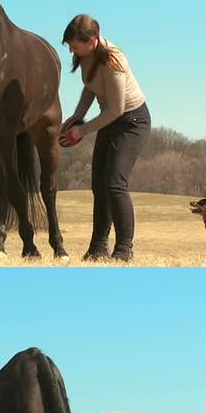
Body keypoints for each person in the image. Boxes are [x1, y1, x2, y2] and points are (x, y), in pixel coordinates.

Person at [60, 14, 151, 262]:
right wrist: (78, 115)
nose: (71, 50)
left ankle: (124, 250)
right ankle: (98, 248)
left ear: (92, 41)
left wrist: (83, 130)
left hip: (132, 121)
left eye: (75, 46)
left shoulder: (114, 60)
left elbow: (116, 109)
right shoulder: (87, 56)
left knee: (114, 184)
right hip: (110, 121)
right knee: (99, 186)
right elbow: (91, 86)